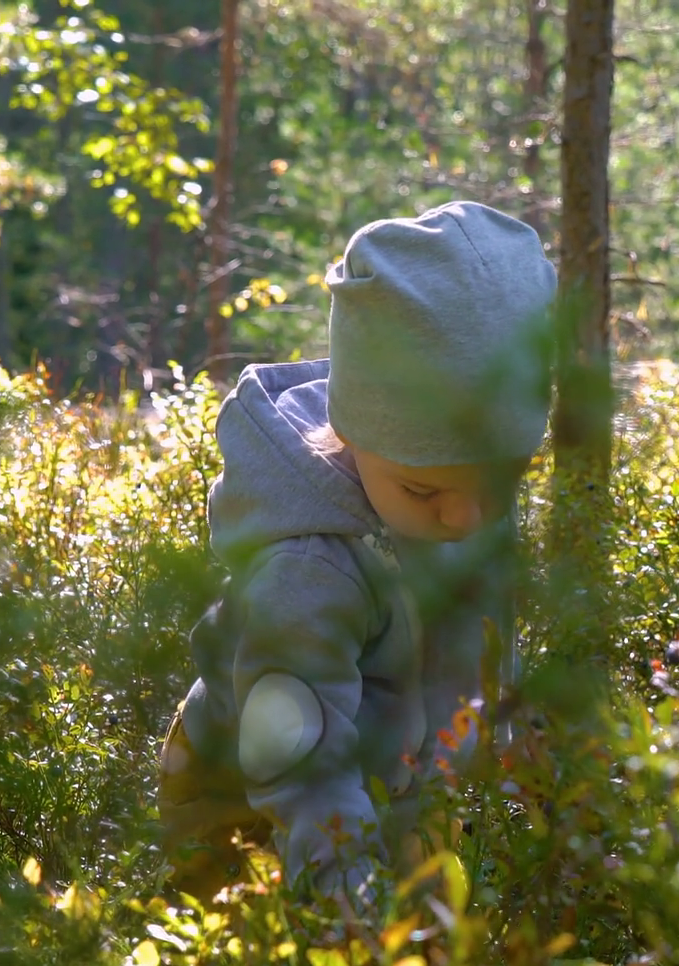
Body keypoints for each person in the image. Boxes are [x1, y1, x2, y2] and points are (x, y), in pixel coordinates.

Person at [158, 201, 555, 904]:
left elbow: (487, 652)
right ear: (353, 432)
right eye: (423, 489)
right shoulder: (309, 566)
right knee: (284, 953)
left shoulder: (463, 495)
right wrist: (352, 909)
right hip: (249, 808)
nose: (466, 517)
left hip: (394, 785)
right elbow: (298, 762)